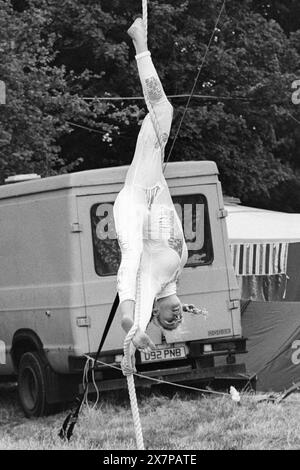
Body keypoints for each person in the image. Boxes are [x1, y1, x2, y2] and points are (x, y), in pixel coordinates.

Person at [113, 17, 188, 355]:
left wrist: (136, 325)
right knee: (162, 109)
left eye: (167, 322)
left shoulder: (154, 280)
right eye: (178, 321)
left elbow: (134, 278)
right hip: (152, 185)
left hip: (134, 200)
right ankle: (139, 41)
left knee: (132, 254)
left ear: (157, 312)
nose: (174, 319)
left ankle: (138, 41)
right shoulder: (178, 267)